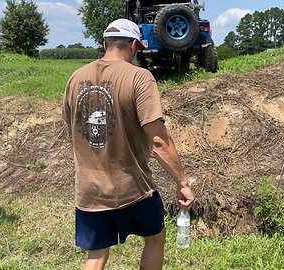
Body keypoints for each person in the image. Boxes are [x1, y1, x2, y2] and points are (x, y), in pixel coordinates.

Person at [63, 19, 195, 270]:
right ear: (134, 45)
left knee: (97, 253)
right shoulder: (139, 77)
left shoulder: (75, 78)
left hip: (90, 189)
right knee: (155, 239)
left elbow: (71, 126)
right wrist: (182, 182)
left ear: (104, 43)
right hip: (132, 189)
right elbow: (158, 139)